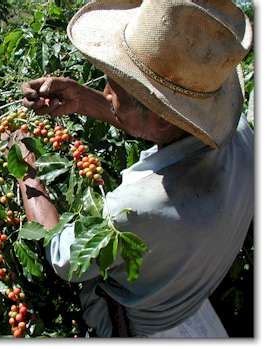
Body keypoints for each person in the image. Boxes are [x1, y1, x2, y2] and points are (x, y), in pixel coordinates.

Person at [14, 0, 254, 338]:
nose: (106, 89)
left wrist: (25, 173)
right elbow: (158, 124)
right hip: (193, 305)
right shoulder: (242, 136)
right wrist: (83, 99)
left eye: (115, 83)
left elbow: (64, 255)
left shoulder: (138, 206)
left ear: (159, 113)